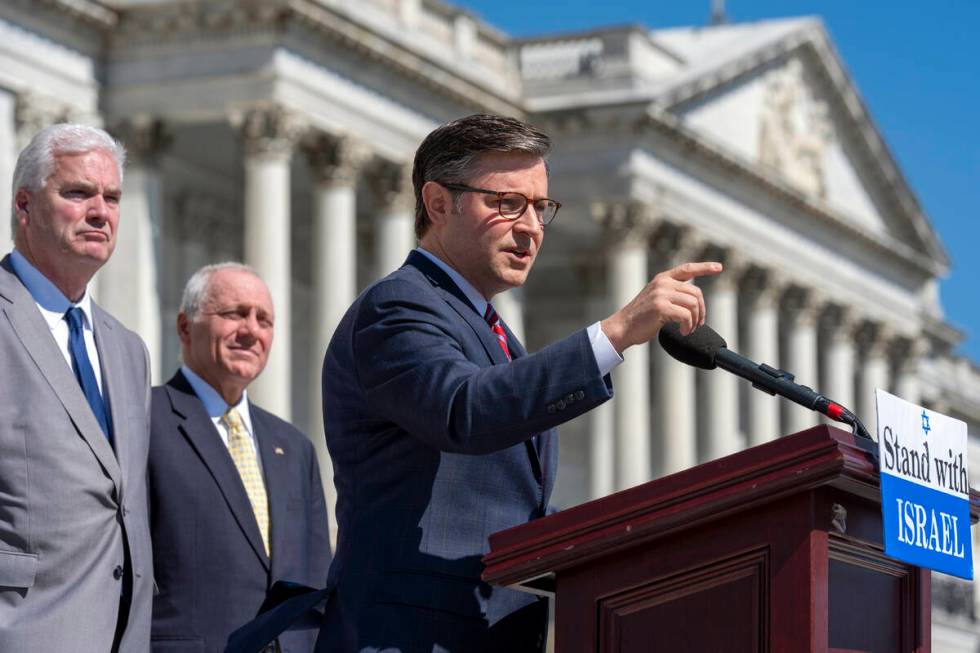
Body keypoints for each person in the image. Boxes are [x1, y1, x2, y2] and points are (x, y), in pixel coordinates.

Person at [315, 114, 722, 653]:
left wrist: (643, 540)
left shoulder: (497, 334)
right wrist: (615, 333)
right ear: (438, 203)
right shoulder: (398, 306)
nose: (531, 227)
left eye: (540, 207)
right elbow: (464, 410)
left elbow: (509, 507)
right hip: (408, 635)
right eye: (507, 204)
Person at [0, 123, 153, 651]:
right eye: (78, 193)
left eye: (111, 197)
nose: (100, 212)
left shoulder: (128, 350)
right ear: (24, 205)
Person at [149, 263, 331, 652]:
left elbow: (315, 580)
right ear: (185, 327)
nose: (251, 331)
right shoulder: (144, 420)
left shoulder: (295, 448)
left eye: (264, 320)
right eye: (234, 314)